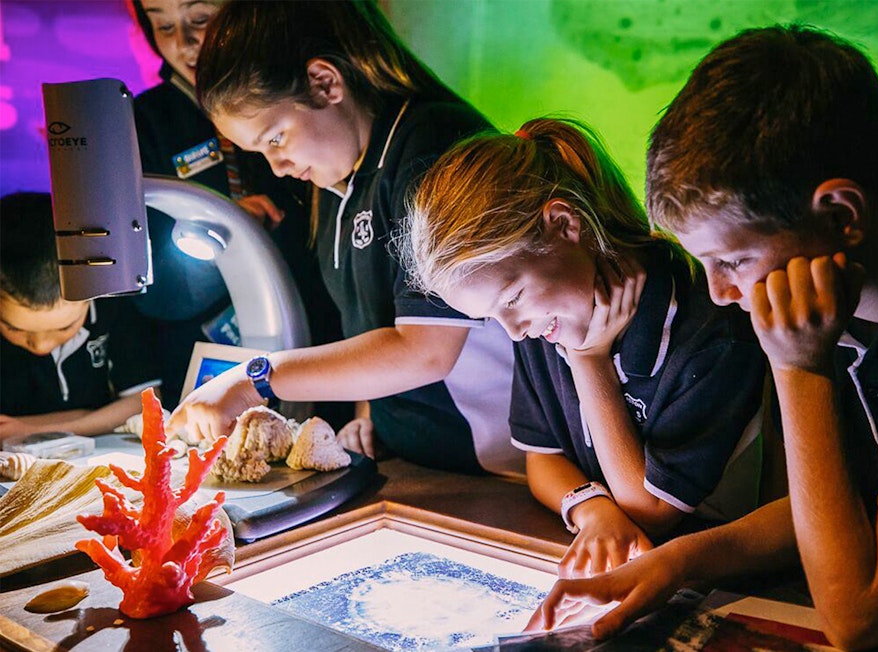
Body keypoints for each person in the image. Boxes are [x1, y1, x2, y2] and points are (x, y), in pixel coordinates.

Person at [526, 25, 878, 650]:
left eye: (733, 261)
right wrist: (674, 565)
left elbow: (856, 617)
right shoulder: (820, 293)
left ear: (841, 216)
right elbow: (815, 507)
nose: (717, 293)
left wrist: (799, 367)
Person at [168, 0, 522, 477]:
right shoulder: (338, 180)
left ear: (324, 82)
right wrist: (368, 410)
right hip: (426, 463)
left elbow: (427, 349)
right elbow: (371, 325)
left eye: (275, 138)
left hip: (502, 465)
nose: (278, 168)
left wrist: (255, 379)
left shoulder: (431, 146)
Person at [403, 118, 766, 577]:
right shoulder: (545, 322)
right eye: (494, 317)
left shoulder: (709, 328)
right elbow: (542, 456)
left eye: (511, 299)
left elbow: (652, 508)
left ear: (564, 224)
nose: (513, 331)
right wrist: (592, 509)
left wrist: (589, 361)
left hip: (734, 575)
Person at [128, 0, 349, 429]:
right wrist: (232, 233)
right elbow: (154, 290)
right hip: (206, 360)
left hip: (322, 343)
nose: (184, 43)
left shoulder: (301, 101)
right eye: (162, 26)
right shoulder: (146, 121)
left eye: (200, 20)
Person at [0, 192, 162, 439]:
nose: (41, 344)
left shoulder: (112, 308)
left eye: (65, 328)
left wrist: (33, 430)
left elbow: (144, 403)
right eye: (14, 329)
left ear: (93, 295)